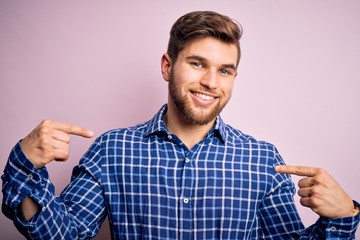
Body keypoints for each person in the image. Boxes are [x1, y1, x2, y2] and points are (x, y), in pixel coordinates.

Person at [2, 10, 359, 239]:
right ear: (167, 66)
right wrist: (25, 166)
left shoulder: (263, 160)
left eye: (225, 70)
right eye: (198, 64)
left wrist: (345, 215)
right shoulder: (112, 150)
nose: (211, 82)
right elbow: (62, 235)